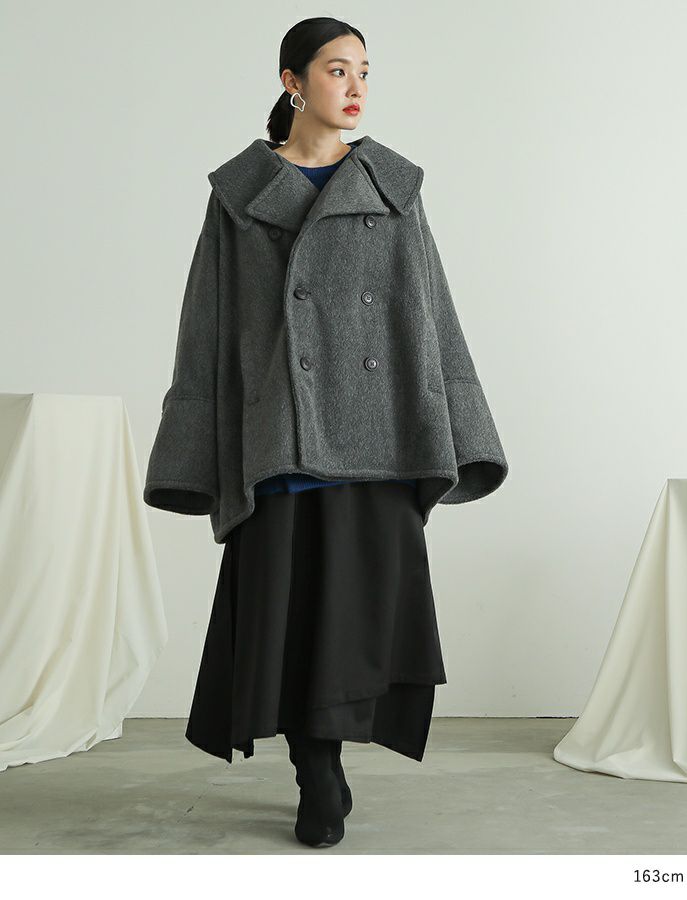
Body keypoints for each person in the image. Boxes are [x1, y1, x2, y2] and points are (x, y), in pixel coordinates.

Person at [144, 16, 509, 849]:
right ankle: (316, 773)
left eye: (365, 72)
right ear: (292, 81)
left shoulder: (392, 187)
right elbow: (207, 325)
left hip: (378, 436)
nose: (355, 87)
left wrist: (457, 427)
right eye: (337, 70)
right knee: (289, 617)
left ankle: (326, 767)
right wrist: (193, 449)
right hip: (282, 436)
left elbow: (431, 313)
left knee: (355, 621)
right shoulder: (240, 193)